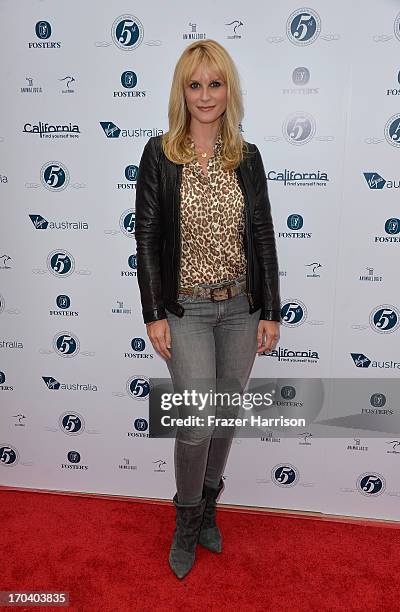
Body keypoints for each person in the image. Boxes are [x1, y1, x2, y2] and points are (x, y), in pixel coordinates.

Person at [135, 39, 280, 579]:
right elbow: (147, 237)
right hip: (186, 311)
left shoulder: (247, 156)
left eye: (214, 83)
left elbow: (263, 236)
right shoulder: (160, 154)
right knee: (196, 421)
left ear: (228, 90)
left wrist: (270, 309)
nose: (204, 95)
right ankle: (187, 519)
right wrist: (154, 312)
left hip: (242, 307)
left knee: (224, 415)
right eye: (194, 84)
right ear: (182, 91)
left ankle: (210, 506)